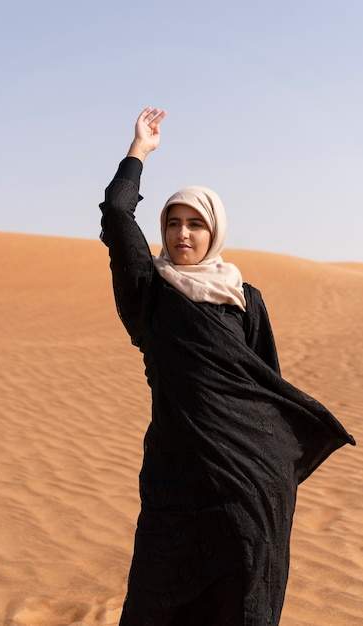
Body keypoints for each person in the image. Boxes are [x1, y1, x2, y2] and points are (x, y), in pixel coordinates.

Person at [99, 107, 355, 626]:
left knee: (240, 603)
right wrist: (139, 151)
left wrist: (275, 466)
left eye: (196, 224)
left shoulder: (245, 298)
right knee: (154, 601)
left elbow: (265, 387)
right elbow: (116, 214)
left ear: (214, 231)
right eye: (173, 223)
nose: (183, 235)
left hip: (246, 487)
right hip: (175, 484)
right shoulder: (148, 292)